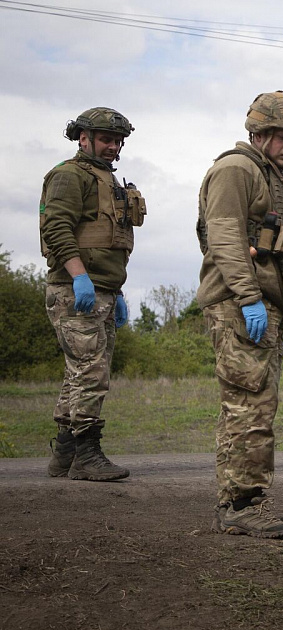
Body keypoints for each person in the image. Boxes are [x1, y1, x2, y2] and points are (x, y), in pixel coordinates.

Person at [197, 91, 283, 538]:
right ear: (258, 133)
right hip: (238, 302)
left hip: (265, 303)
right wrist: (248, 298)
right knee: (249, 404)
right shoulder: (236, 169)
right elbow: (224, 237)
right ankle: (244, 503)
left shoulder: (273, 177)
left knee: (253, 402)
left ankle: (237, 501)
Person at [40, 107, 144, 482]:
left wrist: (114, 291)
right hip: (75, 289)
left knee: (79, 373)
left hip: (103, 290)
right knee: (90, 371)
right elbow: (56, 227)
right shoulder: (69, 176)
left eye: (117, 140)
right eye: (105, 139)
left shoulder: (109, 181)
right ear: (83, 137)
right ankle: (87, 454)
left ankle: (65, 455)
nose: (113, 146)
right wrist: (79, 277)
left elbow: (110, 241)